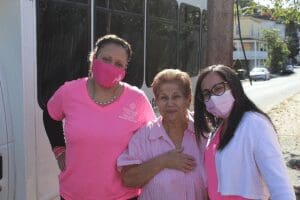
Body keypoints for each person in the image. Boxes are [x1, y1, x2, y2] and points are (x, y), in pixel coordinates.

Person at [43, 34, 155, 200]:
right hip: (74, 194)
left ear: (124, 71)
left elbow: (153, 136)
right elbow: (50, 115)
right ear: (93, 59)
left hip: (123, 196)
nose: (111, 67)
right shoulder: (69, 92)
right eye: (106, 59)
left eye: (118, 64)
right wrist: (59, 151)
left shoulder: (136, 99)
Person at [194, 64, 296, 200]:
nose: (213, 97)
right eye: (206, 94)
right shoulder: (219, 126)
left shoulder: (254, 124)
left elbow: (281, 188)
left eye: (218, 89)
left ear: (234, 87)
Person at [117, 69, 207, 200]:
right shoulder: (145, 136)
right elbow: (128, 179)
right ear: (157, 101)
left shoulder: (204, 133)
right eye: (163, 97)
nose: (170, 103)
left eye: (176, 96)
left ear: (188, 100)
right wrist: (163, 161)